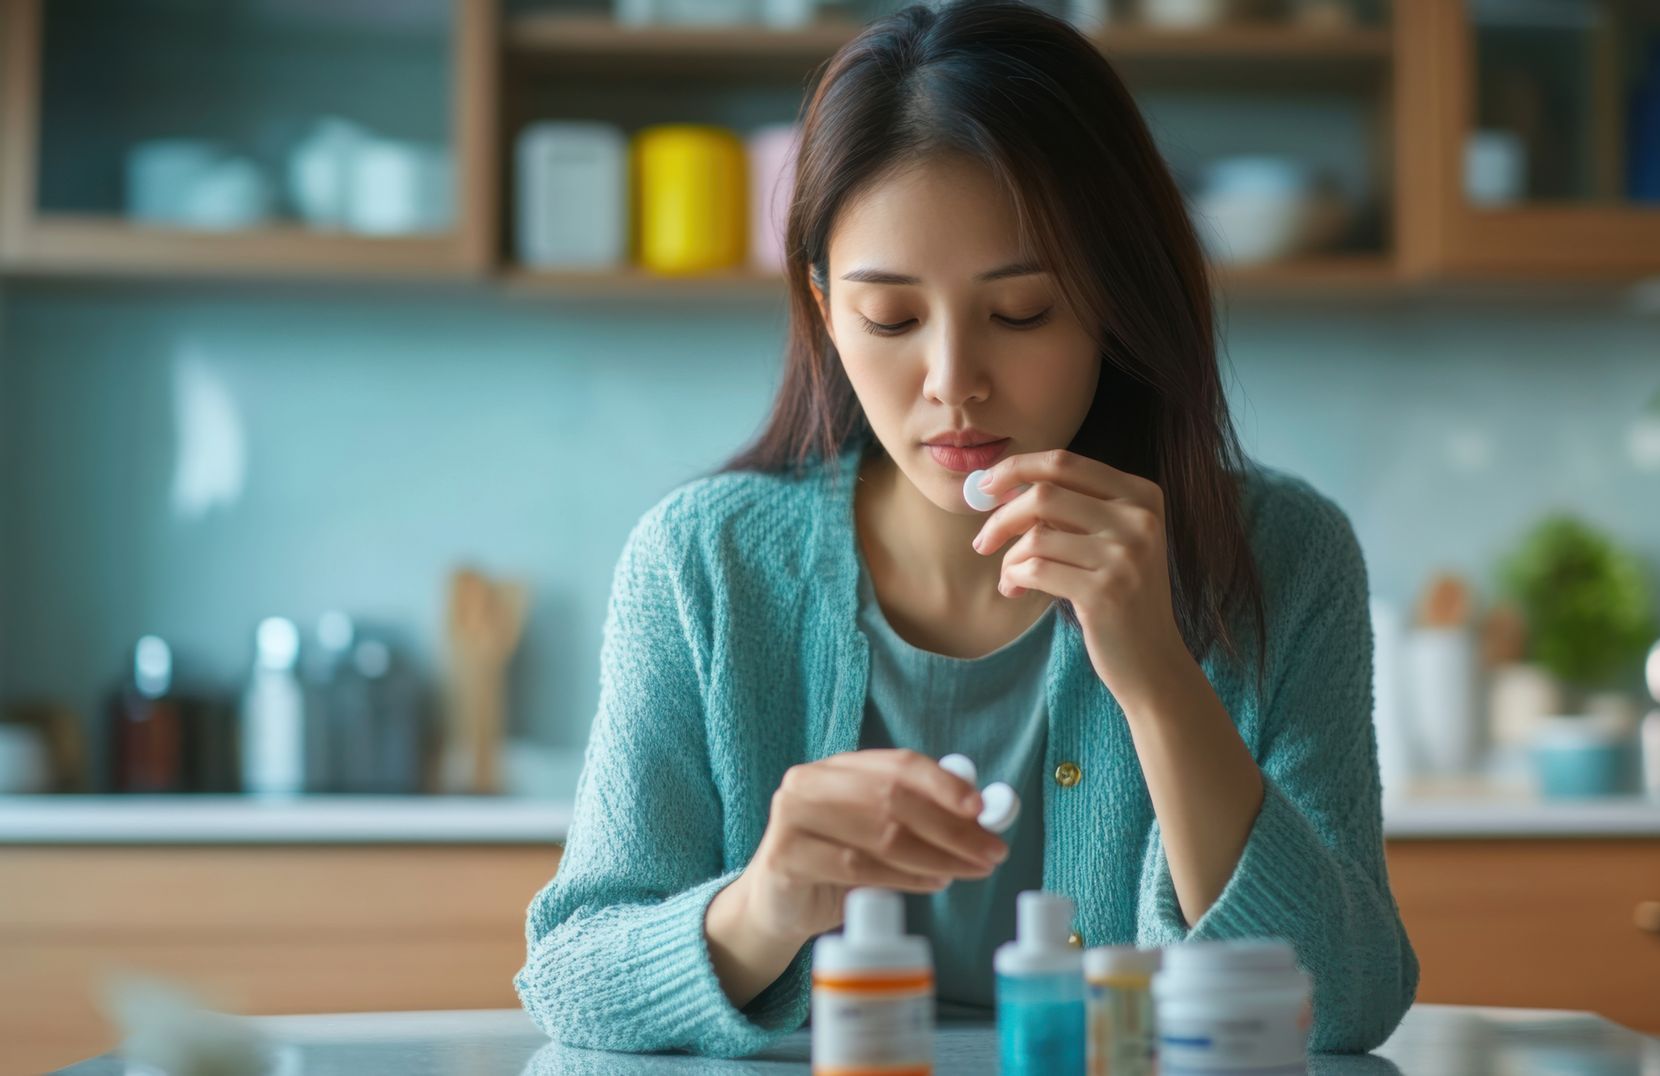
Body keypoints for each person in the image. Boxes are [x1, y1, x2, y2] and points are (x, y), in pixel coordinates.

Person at [515, 0, 1416, 1057]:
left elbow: (1347, 1000)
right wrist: (767, 899)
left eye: (1023, 309)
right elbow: (571, 975)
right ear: (820, 308)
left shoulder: (1282, 555)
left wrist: (1162, 678)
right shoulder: (701, 563)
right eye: (890, 318)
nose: (953, 384)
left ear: (1115, 301)